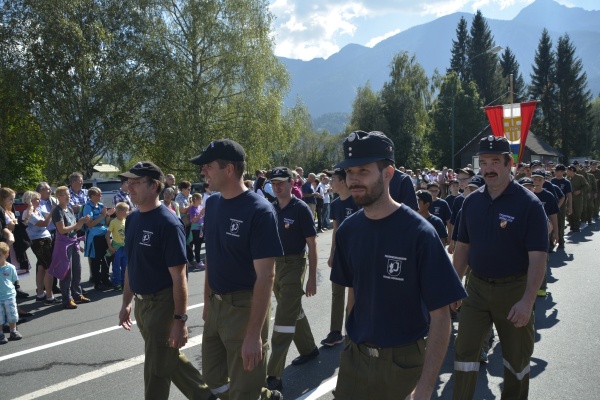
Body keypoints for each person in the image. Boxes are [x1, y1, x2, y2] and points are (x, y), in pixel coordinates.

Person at [330, 130, 466, 399]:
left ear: (388, 173)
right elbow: (353, 292)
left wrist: (425, 388)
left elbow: (441, 316)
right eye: (349, 172)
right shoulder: (348, 231)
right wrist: (349, 340)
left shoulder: (419, 234)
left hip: (402, 364)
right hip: (355, 359)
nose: (353, 180)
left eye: (363, 171)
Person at [452, 135, 548, 400]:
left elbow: (538, 257)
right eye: (483, 162)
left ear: (510, 163)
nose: (488, 168)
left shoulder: (529, 204)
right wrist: (452, 287)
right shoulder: (471, 202)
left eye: (495, 161)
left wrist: (528, 301)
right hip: (476, 289)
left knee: (516, 361)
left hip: (515, 291)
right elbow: (462, 248)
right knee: (464, 353)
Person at [190, 139, 283, 400]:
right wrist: (208, 301)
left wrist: (254, 335)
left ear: (229, 169)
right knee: (212, 378)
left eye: (207, 166)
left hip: (245, 308)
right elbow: (213, 258)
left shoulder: (259, 211)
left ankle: (253, 393)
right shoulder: (214, 204)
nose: (202, 172)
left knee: (244, 387)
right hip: (217, 305)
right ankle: (262, 396)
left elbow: (266, 276)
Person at [117, 161, 214, 400]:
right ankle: (205, 396)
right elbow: (132, 264)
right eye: (128, 182)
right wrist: (126, 302)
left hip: (162, 304)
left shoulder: (168, 223)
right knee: (166, 355)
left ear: (154, 186)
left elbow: (179, 275)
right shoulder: (133, 219)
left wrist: (180, 319)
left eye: (136, 183)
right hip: (142, 305)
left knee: (156, 367)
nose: (129, 188)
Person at [266, 167, 319, 392]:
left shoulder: (300, 209)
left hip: (294, 265)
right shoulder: (270, 209)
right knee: (292, 310)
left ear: (291, 183)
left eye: (281, 182)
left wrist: (312, 278)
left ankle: (273, 374)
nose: (277, 187)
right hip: (274, 266)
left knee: (283, 320)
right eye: (274, 183)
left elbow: (313, 245)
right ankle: (309, 350)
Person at [322, 168, 359, 347]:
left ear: (343, 182)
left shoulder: (357, 201)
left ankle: (351, 330)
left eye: (334, 180)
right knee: (337, 292)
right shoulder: (335, 204)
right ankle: (335, 331)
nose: (331, 183)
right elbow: (336, 230)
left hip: (356, 253)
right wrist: (332, 253)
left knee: (355, 292)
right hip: (340, 254)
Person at [50, 186, 91, 309]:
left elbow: (76, 228)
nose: (68, 197)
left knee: (77, 270)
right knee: (66, 272)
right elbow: (61, 230)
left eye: (68, 195)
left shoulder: (69, 209)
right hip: (64, 244)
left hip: (73, 241)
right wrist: (77, 224)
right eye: (64, 195)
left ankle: (77, 295)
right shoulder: (57, 211)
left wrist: (81, 222)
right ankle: (67, 299)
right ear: (58, 197)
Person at [22, 191, 58, 304]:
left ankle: (40, 294)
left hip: (44, 239)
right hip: (39, 241)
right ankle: (49, 295)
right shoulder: (28, 212)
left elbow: (46, 218)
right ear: (29, 201)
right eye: (36, 199)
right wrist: (52, 211)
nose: (39, 201)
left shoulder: (37, 211)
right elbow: (44, 223)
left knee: (42, 267)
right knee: (49, 268)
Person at [531, 171, 559, 297]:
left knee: (541, 259)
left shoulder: (548, 196)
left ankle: (541, 287)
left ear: (544, 181)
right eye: (534, 179)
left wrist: (556, 234)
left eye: (539, 179)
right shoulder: (526, 195)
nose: (536, 182)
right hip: (527, 232)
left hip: (543, 231)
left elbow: (554, 216)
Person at [82, 187, 114, 291]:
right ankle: (97, 282)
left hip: (104, 234)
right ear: (92, 196)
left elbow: (106, 222)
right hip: (95, 236)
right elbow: (90, 224)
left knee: (107, 258)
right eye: (98, 194)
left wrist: (107, 215)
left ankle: (105, 278)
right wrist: (102, 215)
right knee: (96, 259)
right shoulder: (88, 207)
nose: (100, 196)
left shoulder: (101, 206)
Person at [0, 242, 22, 343]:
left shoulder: (11, 268)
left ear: (6, 255)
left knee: (12, 315)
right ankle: (0, 334)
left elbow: (13, 280)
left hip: (9, 296)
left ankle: (13, 331)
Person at [106, 202, 129, 291]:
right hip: (117, 248)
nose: (127, 213)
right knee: (116, 267)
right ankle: (117, 283)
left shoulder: (126, 221)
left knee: (125, 266)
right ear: (119, 212)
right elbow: (108, 235)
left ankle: (124, 283)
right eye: (126, 211)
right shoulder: (113, 222)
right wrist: (110, 247)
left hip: (125, 248)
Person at [551, 164, 573, 248]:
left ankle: (560, 240)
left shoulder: (566, 182)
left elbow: (569, 195)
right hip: (553, 204)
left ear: (562, 172)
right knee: (552, 222)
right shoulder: (552, 181)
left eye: (557, 170)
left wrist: (570, 207)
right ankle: (552, 240)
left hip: (562, 204)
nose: (555, 172)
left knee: (560, 222)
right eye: (555, 170)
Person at [566, 165, 588, 233]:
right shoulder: (567, 178)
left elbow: (586, 186)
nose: (567, 171)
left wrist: (580, 191)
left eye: (568, 170)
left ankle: (576, 226)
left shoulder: (580, 177)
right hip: (569, 197)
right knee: (569, 211)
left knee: (577, 211)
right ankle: (571, 225)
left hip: (578, 197)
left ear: (572, 171)